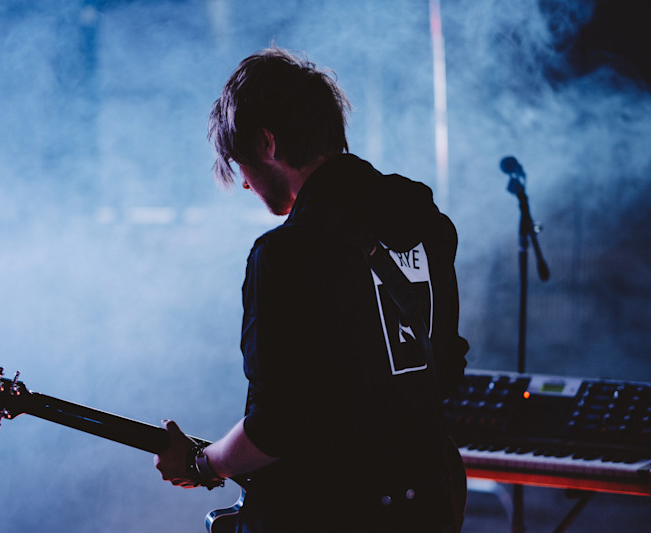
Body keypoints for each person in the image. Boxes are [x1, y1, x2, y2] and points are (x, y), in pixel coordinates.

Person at [154, 47, 469, 533]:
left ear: (267, 144)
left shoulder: (285, 254)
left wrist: (205, 463)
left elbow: (277, 427)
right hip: (427, 510)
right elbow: (444, 369)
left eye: (240, 165)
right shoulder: (425, 220)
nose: (244, 185)